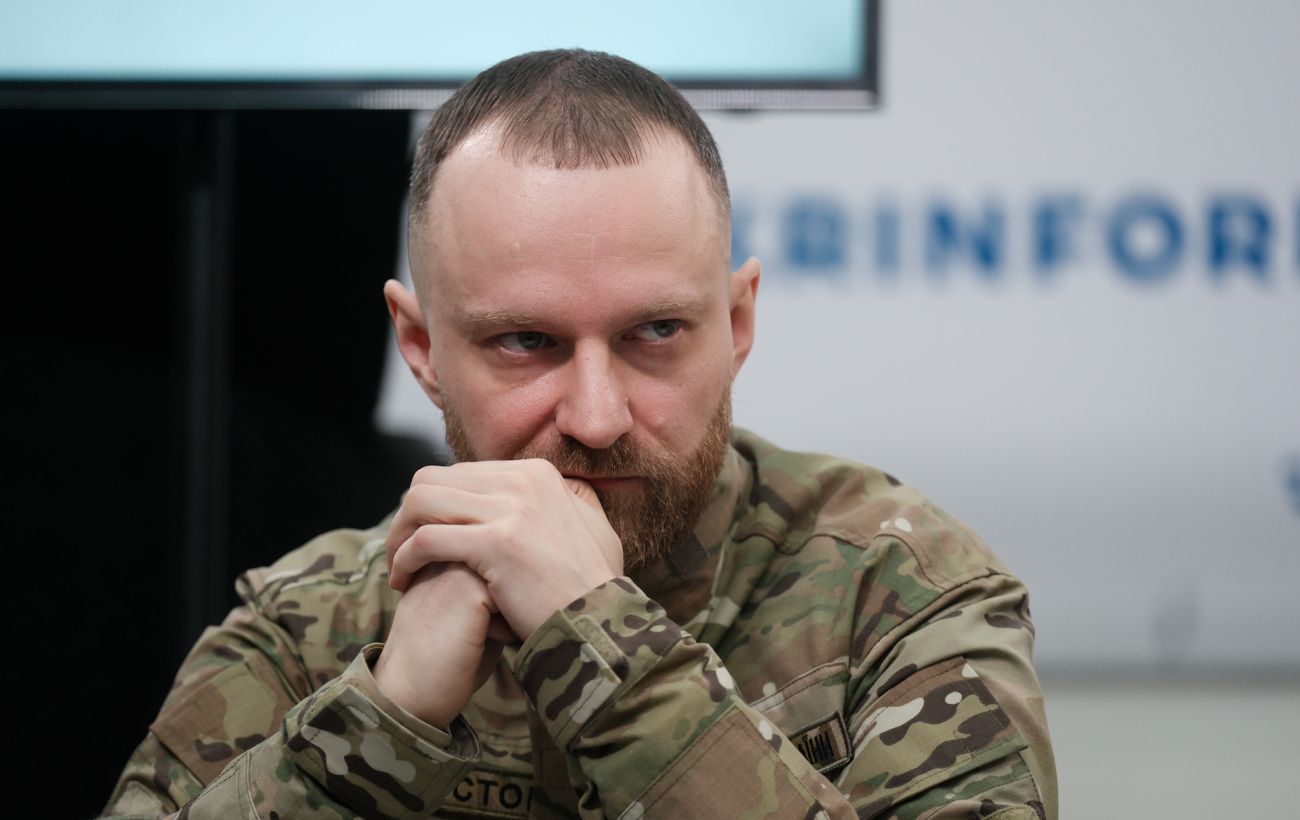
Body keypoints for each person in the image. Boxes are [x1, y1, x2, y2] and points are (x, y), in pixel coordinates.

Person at [104, 49, 1057, 819]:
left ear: (736, 324)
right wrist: (383, 720)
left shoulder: (895, 591)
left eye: (655, 332)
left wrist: (600, 641)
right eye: (526, 342)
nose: (596, 418)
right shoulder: (310, 629)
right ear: (422, 347)